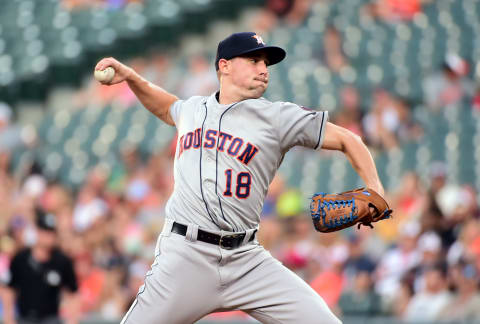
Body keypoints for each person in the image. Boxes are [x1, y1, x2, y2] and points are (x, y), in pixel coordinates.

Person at [95, 31, 386, 324]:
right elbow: (166, 105)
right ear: (225, 66)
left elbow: (350, 140)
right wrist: (132, 77)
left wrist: (376, 188)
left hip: (247, 259)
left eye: (266, 63)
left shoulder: (278, 117)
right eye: (254, 60)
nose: (263, 69)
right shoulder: (193, 110)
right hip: (186, 256)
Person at [0, 209, 79, 324]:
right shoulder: (21, 259)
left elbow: (72, 292)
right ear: (37, 231)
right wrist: (9, 318)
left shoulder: (62, 261)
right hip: (25, 318)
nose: (47, 236)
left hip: (51, 319)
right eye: (44, 231)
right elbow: (9, 289)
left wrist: (72, 320)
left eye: (51, 233)